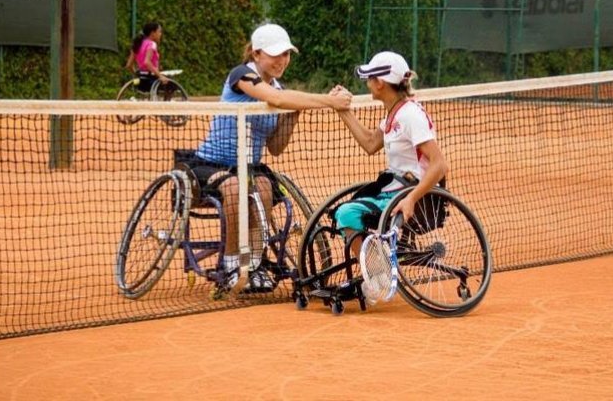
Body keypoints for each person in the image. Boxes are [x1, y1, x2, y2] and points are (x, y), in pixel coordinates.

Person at [183, 22, 352, 292]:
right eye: (275, 54)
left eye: (286, 54)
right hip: (210, 164)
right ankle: (228, 265)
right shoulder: (241, 75)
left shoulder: (280, 88)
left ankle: (254, 264)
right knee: (234, 189)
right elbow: (277, 98)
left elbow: (275, 146)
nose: (282, 60)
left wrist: (294, 115)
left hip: (250, 166)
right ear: (256, 54)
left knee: (262, 188)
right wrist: (328, 101)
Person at [329, 51, 449, 256]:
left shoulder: (410, 115)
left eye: (370, 78)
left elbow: (440, 165)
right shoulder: (395, 113)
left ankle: (377, 275)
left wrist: (411, 198)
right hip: (396, 189)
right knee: (346, 208)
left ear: (380, 83)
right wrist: (341, 109)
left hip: (415, 195)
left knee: (346, 213)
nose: (367, 82)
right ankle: (376, 266)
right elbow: (369, 143)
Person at [125, 22, 169, 93]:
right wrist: (160, 76)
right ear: (153, 33)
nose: (160, 34)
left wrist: (137, 74)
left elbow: (129, 65)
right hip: (152, 79)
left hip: (141, 79)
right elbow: (147, 62)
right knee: (170, 84)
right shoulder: (152, 44)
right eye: (159, 32)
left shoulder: (137, 44)